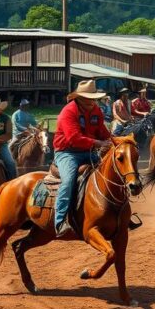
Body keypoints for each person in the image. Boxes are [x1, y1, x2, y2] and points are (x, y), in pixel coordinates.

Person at [52, 80, 110, 237]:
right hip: (67, 152)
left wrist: (114, 141)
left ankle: (117, 212)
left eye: (93, 98)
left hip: (89, 151)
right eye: (88, 98)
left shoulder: (96, 110)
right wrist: (99, 143)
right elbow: (73, 138)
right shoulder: (68, 111)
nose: (92, 101)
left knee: (113, 171)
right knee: (69, 180)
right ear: (79, 97)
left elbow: (102, 131)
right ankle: (60, 222)